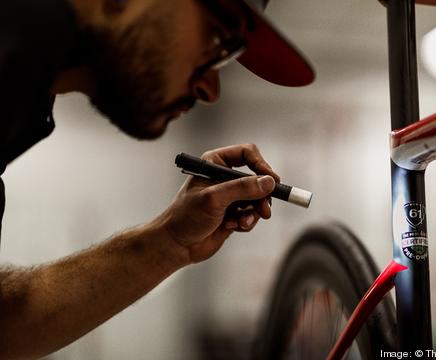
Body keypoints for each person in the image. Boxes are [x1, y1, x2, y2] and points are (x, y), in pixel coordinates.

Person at [0, 0, 314, 358]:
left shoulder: (20, 97)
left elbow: (4, 324)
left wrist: (171, 242)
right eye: (216, 39)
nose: (211, 90)